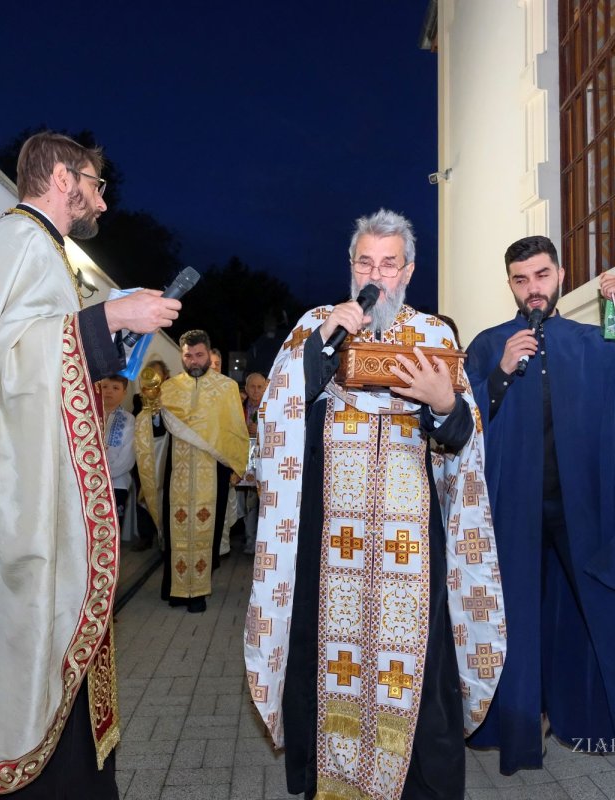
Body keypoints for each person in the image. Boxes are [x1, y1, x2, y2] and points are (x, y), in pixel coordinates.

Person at [0, 131, 181, 798]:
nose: (103, 201)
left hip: (35, 486)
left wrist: (103, 329)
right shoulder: (20, 241)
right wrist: (110, 313)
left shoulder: (40, 249)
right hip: (16, 509)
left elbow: (34, 360)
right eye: (95, 183)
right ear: (64, 179)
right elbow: (10, 365)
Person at [244, 209, 507, 800]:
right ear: (352, 267)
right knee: (325, 665)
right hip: (329, 543)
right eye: (366, 262)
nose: (377, 274)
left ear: (408, 271)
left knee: (423, 675)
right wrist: (319, 351)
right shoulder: (317, 324)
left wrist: (446, 406)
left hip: (411, 554)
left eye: (389, 264)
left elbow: (465, 445)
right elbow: (275, 422)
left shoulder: (436, 335)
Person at [464, 235, 615, 799]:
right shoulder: (489, 344)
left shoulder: (593, 342)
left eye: (541, 276)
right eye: (521, 280)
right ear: (511, 285)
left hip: (583, 516)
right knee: (517, 620)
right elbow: (458, 419)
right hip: (511, 514)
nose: (533, 289)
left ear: (560, 275)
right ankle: (531, 720)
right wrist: (498, 373)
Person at [158, 330, 249, 612]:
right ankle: (174, 588)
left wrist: (237, 465)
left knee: (206, 529)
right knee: (176, 527)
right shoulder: (169, 388)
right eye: (188, 355)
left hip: (215, 471)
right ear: (181, 356)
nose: (194, 361)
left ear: (209, 354)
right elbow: (159, 430)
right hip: (178, 471)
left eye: (199, 355)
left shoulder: (226, 388)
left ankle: (197, 591)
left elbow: (236, 430)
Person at [132, 359, 170, 552]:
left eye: (158, 374)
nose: (153, 378)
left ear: (165, 377)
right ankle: (145, 536)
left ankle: (165, 536)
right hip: (146, 453)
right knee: (143, 492)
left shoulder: (172, 399)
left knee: (164, 494)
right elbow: (138, 422)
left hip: (165, 452)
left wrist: (159, 411)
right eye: (150, 373)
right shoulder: (138, 399)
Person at [100, 375, 136, 533]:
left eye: (115, 388)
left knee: (111, 529)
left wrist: (104, 476)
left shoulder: (129, 420)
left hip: (117, 484)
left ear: (124, 392)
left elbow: (128, 458)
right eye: (105, 386)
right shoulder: (88, 416)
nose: (109, 391)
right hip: (86, 483)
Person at [238, 372, 267, 555]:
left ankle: (261, 542)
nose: (256, 391)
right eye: (252, 387)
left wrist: (261, 430)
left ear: (265, 388)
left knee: (262, 501)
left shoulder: (271, 408)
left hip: (264, 462)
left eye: (259, 387)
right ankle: (249, 539)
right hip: (242, 461)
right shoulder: (237, 407)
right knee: (246, 502)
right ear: (246, 389)